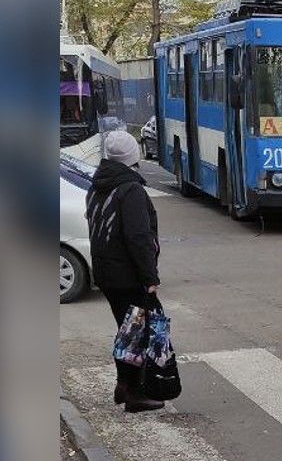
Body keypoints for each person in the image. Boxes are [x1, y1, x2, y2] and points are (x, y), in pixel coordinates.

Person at [86, 130, 165, 413]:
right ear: (133, 156)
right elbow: (138, 237)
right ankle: (131, 392)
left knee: (127, 327)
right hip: (127, 275)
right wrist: (150, 277)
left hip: (107, 272)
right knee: (136, 332)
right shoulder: (130, 189)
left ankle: (126, 385)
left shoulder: (98, 185)